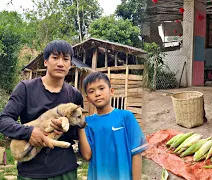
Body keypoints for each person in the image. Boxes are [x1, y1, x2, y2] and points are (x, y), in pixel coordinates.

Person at [0, 40, 83, 179]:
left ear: (70, 64)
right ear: (45, 61)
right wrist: (29, 132)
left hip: (65, 170)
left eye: (66, 59)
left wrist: (64, 127)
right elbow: (4, 121)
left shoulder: (74, 95)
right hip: (32, 171)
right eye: (55, 58)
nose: (60, 63)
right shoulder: (25, 89)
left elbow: (77, 131)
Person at [78, 72, 147, 180]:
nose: (97, 93)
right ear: (87, 98)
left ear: (111, 91)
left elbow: (136, 153)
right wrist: (80, 125)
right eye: (91, 91)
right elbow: (87, 155)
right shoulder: (87, 123)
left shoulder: (126, 117)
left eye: (101, 88)